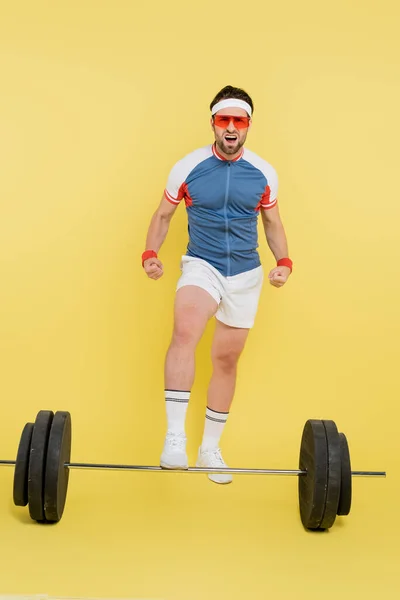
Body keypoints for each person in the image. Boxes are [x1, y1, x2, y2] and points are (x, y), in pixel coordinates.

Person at [142, 85, 292, 484]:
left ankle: (210, 449)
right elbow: (162, 216)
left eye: (238, 121)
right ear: (213, 124)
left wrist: (284, 262)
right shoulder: (187, 167)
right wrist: (150, 253)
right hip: (202, 265)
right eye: (223, 120)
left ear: (247, 127)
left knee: (226, 360)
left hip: (245, 274)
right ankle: (175, 438)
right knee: (185, 329)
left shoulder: (263, 172)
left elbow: (272, 223)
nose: (230, 128)